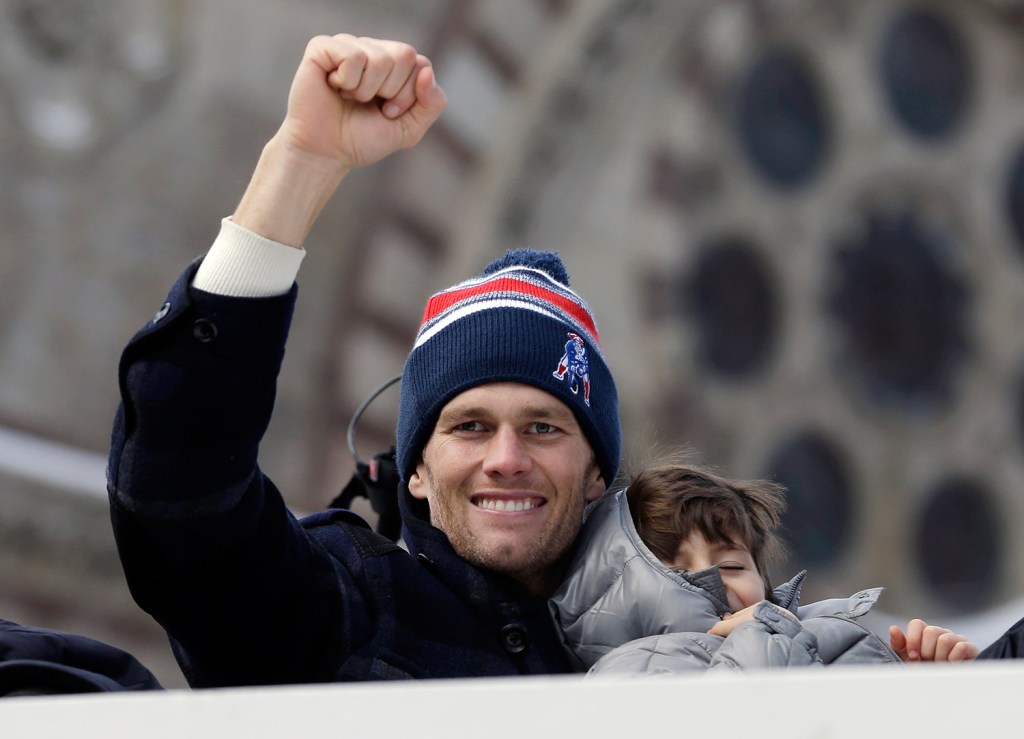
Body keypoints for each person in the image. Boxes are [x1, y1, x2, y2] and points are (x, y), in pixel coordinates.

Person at [107, 34, 619, 685]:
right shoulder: (340, 614)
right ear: (416, 473)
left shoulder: (692, 648)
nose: (506, 457)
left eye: (544, 426)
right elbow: (176, 496)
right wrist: (302, 160)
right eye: (470, 425)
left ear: (597, 470)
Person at [549, 461, 979, 674]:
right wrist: (766, 634)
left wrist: (923, 687)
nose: (713, 584)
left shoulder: (807, 634)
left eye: (733, 565)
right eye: (677, 573)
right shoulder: (626, 674)